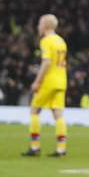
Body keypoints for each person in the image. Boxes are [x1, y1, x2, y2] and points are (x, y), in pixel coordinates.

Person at [22, 14, 68, 157]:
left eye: (40, 24)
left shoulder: (46, 41)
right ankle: (61, 148)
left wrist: (37, 81)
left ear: (46, 26)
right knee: (58, 114)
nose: (38, 27)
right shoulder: (61, 41)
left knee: (34, 110)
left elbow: (47, 62)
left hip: (49, 80)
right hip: (61, 80)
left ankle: (35, 147)